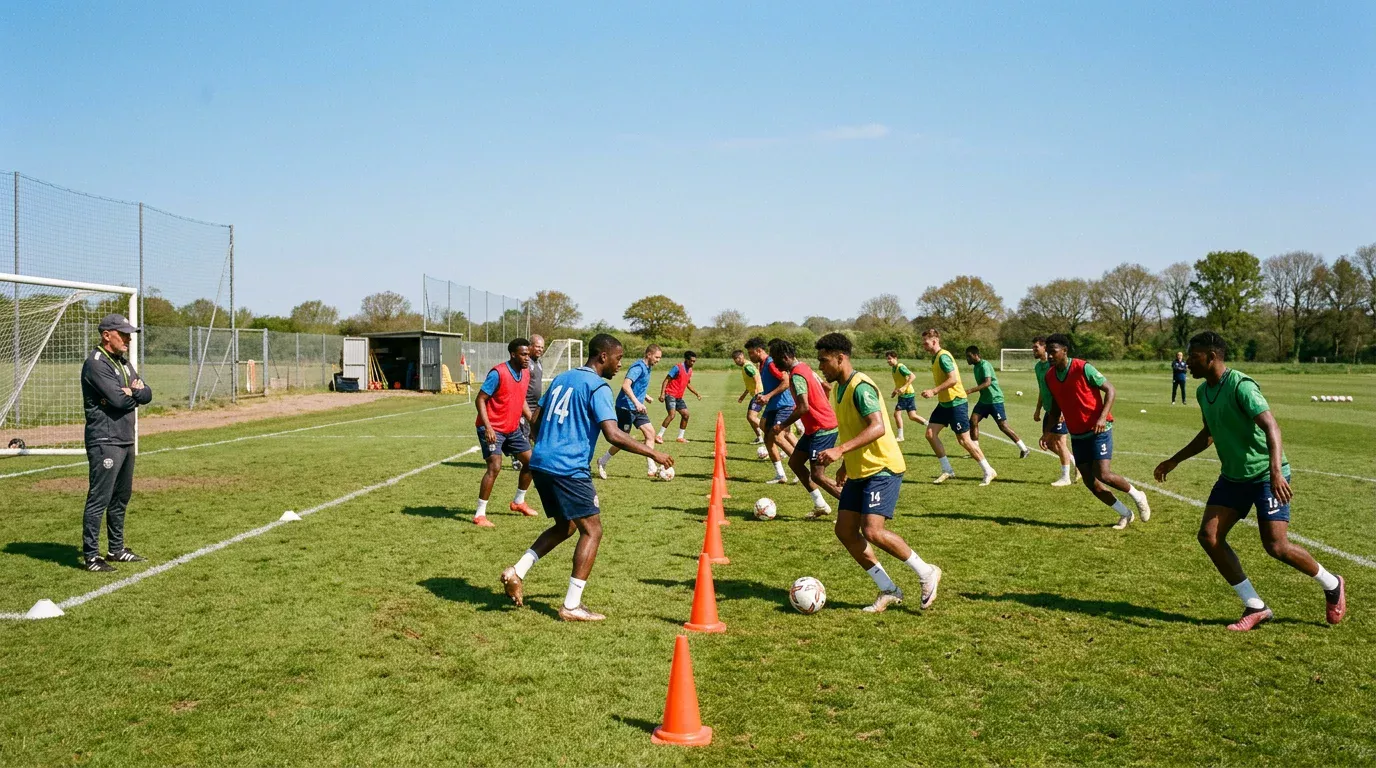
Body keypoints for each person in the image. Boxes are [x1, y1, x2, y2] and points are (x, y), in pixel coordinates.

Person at [1153, 331, 1345, 631]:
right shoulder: (1204, 392)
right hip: (1233, 477)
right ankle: (1256, 606)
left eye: (1194, 356)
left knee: (1276, 546)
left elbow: (1272, 427)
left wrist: (1276, 471)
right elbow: (1208, 434)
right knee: (1210, 536)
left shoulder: (1241, 386)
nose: (1187, 361)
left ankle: (1332, 584)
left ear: (1212, 357)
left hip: (1265, 477)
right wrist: (1175, 459)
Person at [500, 334, 675, 621]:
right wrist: (653, 453)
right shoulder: (598, 387)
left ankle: (516, 571)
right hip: (568, 468)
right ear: (603, 357)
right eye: (618, 358)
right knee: (592, 530)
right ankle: (571, 606)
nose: (620, 365)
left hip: (541, 462)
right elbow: (613, 433)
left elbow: (536, 420)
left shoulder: (561, 378)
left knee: (566, 527)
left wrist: (545, 445)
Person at [813, 333, 942, 613]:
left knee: (872, 530)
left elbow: (878, 427)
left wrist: (839, 450)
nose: (821, 366)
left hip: (882, 467)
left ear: (840, 358)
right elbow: (853, 427)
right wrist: (847, 463)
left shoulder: (861, 387)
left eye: (824, 361)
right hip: (860, 471)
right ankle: (888, 589)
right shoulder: (838, 388)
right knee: (845, 531)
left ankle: (926, 571)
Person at [1041, 333, 1152, 529]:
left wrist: (1102, 417)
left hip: (1099, 429)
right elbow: (1056, 408)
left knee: (1104, 474)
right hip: (1077, 433)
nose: (1049, 356)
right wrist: (1048, 432)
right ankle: (1125, 513)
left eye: (1053, 352)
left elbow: (1110, 390)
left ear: (1064, 351)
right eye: (1047, 352)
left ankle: (1138, 495)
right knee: (1090, 482)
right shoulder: (1049, 376)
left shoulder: (1083, 367)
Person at [79, 314, 153, 572]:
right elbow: (119, 401)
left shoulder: (123, 363)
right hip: (105, 440)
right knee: (100, 498)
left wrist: (133, 391)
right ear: (106, 334)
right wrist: (132, 393)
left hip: (125, 438)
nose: (128, 339)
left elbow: (147, 393)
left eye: (129, 334)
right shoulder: (96, 364)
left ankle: (116, 549)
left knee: (121, 497)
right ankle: (91, 556)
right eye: (123, 334)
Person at [771, 339, 841, 519]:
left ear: (785, 357)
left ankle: (854, 508)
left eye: (775, 358)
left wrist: (781, 425)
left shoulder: (797, 375)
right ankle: (821, 505)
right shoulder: (804, 367)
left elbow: (803, 407)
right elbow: (825, 386)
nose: (774, 362)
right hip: (813, 428)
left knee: (818, 475)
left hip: (822, 428)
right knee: (794, 462)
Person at [918, 329, 997, 486]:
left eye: (926, 343)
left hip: (956, 403)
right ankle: (947, 470)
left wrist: (933, 391)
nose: (923, 346)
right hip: (944, 403)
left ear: (934, 341)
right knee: (930, 434)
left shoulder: (943, 357)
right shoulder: (935, 358)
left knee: (964, 440)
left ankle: (989, 470)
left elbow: (953, 379)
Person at [473, 338, 537, 528]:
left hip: (512, 429)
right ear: (513, 355)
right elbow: (480, 399)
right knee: (495, 467)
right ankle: (479, 514)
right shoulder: (498, 373)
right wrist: (488, 427)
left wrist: (533, 422)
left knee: (532, 463)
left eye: (528, 354)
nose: (527, 358)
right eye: (524, 354)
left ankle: (518, 502)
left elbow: (521, 399)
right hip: (492, 428)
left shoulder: (525, 373)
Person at [596, 344, 663, 478]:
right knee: (622, 440)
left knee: (650, 434)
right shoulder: (638, 367)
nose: (658, 360)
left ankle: (651, 467)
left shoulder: (648, 367)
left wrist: (645, 396)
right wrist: (637, 402)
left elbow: (637, 386)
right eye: (657, 357)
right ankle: (602, 461)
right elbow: (626, 386)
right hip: (625, 408)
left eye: (660, 358)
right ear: (649, 355)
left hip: (637, 408)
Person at [747, 337, 798, 483]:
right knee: (767, 438)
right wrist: (764, 396)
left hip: (784, 405)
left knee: (778, 437)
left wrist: (768, 396)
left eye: (751, 353)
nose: (750, 356)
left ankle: (801, 470)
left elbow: (786, 381)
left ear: (759, 351)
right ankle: (780, 475)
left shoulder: (770, 363)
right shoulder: (762, 365)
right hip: (772, 407)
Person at [964, 346, 1031, 458]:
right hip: (984, 401)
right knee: (973, 421)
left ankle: (1024, 449)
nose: (967, 359)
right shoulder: (975, 367)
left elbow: (987, 383)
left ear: (976, 355)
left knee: (1003, 426)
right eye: (966, 357)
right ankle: (975, 451)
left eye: (969, 356)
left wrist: (969, 391)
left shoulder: (985, 365)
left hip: (995, 400)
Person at [1031, 336, 1078, 487]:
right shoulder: (1038, 368)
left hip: (1060, 411)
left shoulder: (1054, 366)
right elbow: (1041, 389)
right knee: (1049, 444)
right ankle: (1076, 462)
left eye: (1036, 348)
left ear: (1045, 348)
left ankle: (1065, 477)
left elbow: (1064, 389)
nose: (1033, 350)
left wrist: (1063, 411)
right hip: (1049, 410)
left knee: (1059, 441)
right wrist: (1038, 409)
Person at [657, 351, 701, 443]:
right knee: (672, 415)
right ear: (686, 359)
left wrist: (696, 393)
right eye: (691, 361)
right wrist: (662, 394)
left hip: (678, 397)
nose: (692, 363)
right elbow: (666, 380)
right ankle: (659, 436)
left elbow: (687, 384)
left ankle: (680, 437)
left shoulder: (690, 370)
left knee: (686, 415)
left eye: (694, 361)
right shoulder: (677, 368)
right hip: (670, 394)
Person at [885, 351, 927, 441]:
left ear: (895, 358)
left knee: (896, 414)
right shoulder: (893, 369)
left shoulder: (901, 367)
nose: (888, 361)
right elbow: (899, 382)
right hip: (905, 394)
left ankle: (900, 436)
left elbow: (913, 376)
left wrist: (904, 387)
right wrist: (895, 391)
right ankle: (929, 424)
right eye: (887, 359)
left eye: (889, 358)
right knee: (912, 416)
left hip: (906, 395)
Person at [733, 349, 766, 445]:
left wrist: (757, 393)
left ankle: (769, 431)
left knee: (751, 417)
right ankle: (760, 437)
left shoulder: (747, 366)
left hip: (759, 393)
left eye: (736, 359)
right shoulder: (746, 366)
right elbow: (750, 383)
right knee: (750, 417)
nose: (736, 361)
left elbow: (756, 378)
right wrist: (743, 395)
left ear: (740, 357)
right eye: (734, 360)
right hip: (757, 392)